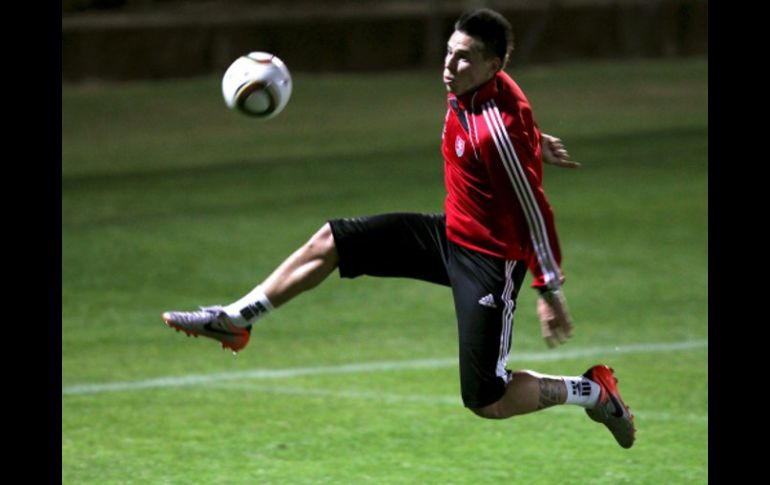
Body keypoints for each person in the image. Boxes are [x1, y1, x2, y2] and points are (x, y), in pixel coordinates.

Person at [162, 8, 635, 448]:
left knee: (487, 399)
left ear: (494, 66)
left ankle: (592, 392)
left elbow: (534, 210)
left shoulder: (496, 131)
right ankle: (235, 321)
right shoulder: (474, 88)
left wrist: (549, 290)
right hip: (450, 234)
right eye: (449, 52)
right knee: (333, 240)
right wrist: (533, 140)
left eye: (464, 58)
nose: (450, 65)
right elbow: (513, 120)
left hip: (492, 262)